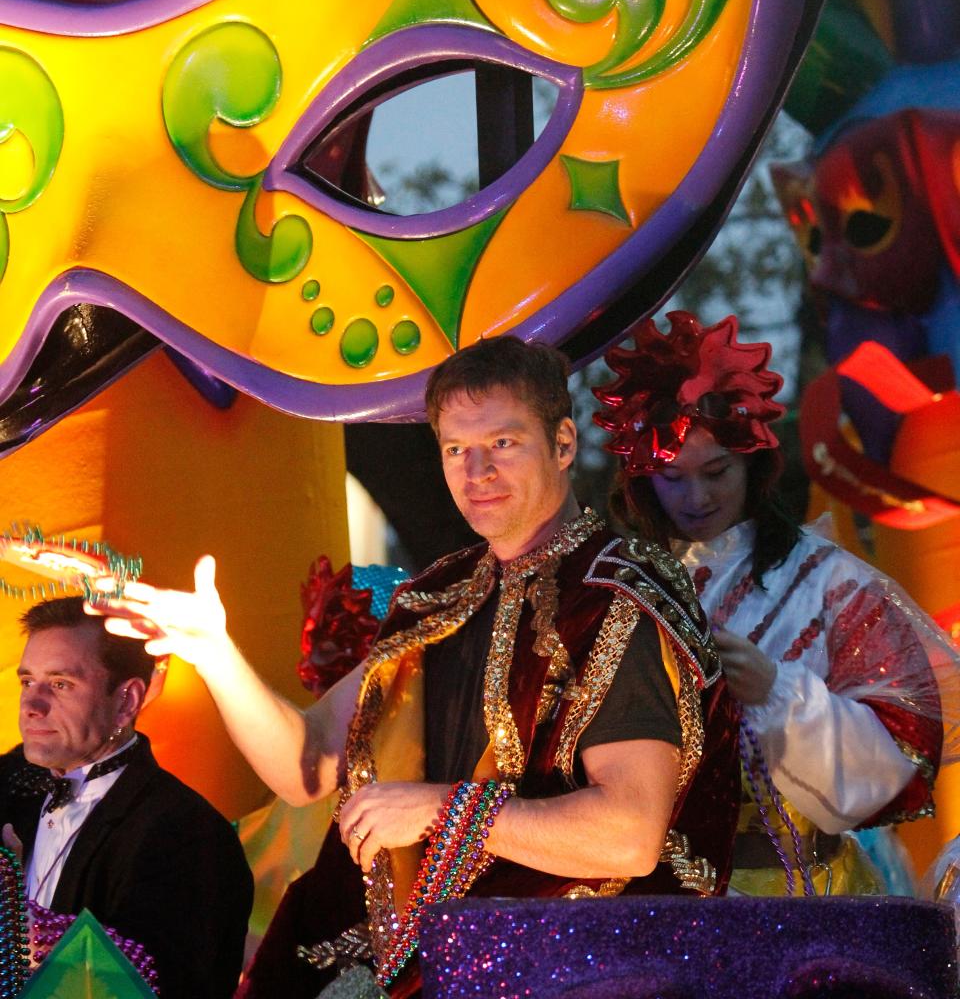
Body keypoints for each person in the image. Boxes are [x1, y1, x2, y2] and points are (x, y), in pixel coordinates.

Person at [89, 335, 740, 997]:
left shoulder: (616, 594)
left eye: (504, 443)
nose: (476, 470)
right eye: (456, 449)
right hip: (409, 955)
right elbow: (306, 766)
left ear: (563, 445)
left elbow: (628, 835)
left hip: (567, 966)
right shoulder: (442, 597)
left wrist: (439, 812)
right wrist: (213, 650)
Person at [594, 310, 957, 896]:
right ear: (640, 479)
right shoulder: (617, 588)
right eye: (673, 478)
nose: (697, 497)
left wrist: (777, 691)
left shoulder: (826, 581)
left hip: (802, 896)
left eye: (716, 471)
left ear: (753, 463)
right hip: (654, 898)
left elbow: (895, 759)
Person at [0, 596, 254, 997]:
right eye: (27, 681)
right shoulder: (9, 783)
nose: (31, 704)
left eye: (61, 684)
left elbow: (159, 983)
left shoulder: (190, 833)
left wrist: (18, 923)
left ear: (126, 700)